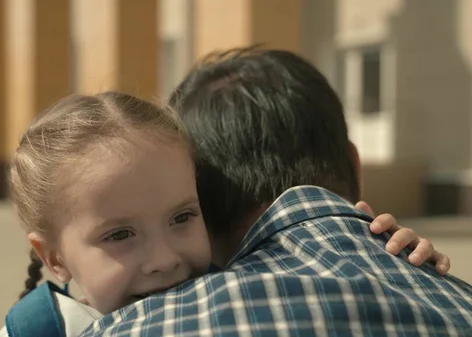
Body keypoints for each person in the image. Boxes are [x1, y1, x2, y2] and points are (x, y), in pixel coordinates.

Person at [77, 49, 472, 336]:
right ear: (355, 165)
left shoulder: (131, 328)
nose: (161, 260)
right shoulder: (455, 300)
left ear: (198, 195)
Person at [0, 89, 450, 337]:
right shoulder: (37, 331)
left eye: (181, 218)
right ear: (53, 257)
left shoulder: (235, 285)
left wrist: (383, 250)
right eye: (120, 236)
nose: (165, 258)